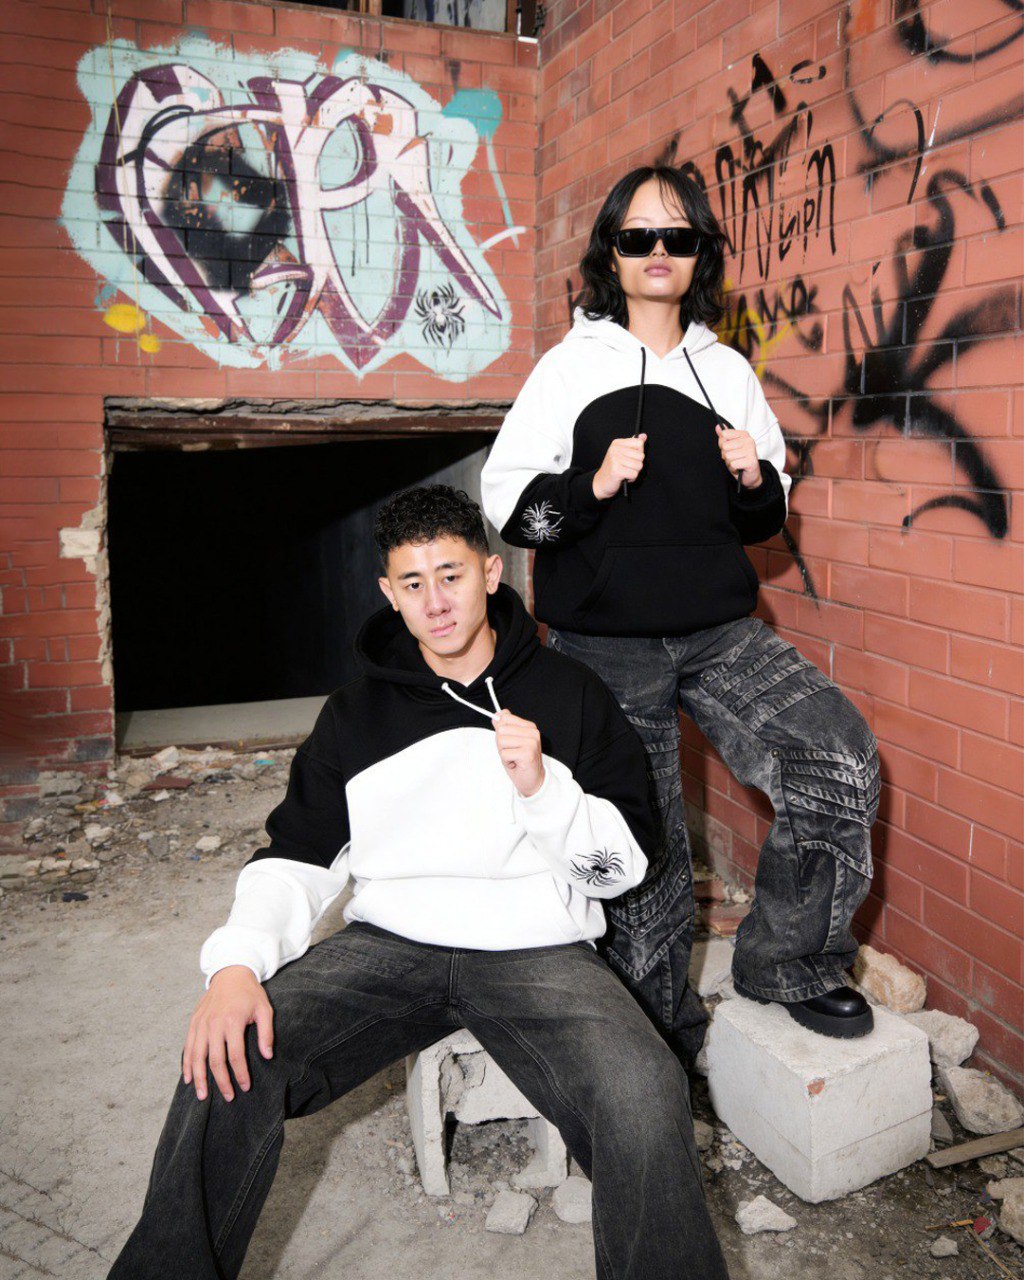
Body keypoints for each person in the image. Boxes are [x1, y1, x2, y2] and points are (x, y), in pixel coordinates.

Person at [106, 484, 730, 1280]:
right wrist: (234, 966)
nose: (435, 602)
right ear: (389, 594)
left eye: (451, 575)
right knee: (225, 1058)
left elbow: (619, 872)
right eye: (413, 582)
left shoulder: (571, 695)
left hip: (537, 951)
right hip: (388, 946)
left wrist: (545, 792)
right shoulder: (353, 716)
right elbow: (295, 856)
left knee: (643, 1088)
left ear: (491, 574)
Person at [480, 164, 881, 1068]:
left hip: (720, 632)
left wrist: (754, 477)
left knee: (838, 755)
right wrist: (589, 486)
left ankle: (789, 963)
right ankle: (654, 1025)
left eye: (678, 236)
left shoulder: (728, 371)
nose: (658, 251)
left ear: (699, 253)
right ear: (612, 254)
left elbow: (765, 518)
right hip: (601, 642)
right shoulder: (568, 368)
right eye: (638, 236)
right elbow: (511, 512)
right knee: (642, 835)